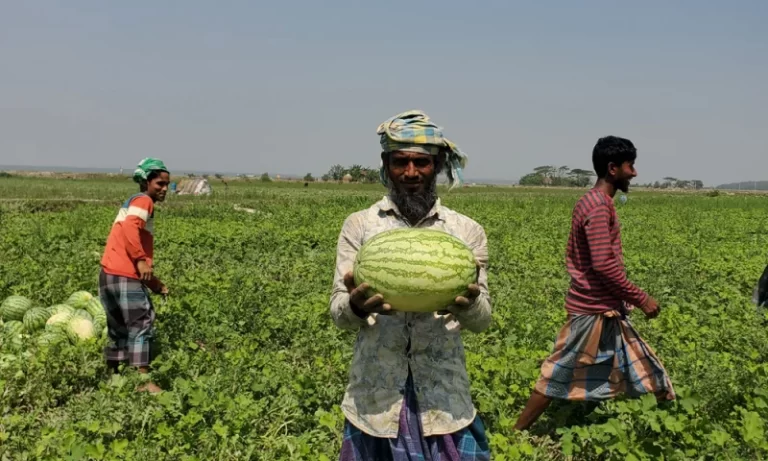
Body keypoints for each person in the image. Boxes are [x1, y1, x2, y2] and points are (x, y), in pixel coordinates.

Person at [330, 110, 492, 460]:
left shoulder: (466, 232)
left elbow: (483, 321)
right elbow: (338, 314)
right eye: (400, 162)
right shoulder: (360, 226)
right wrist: (355, 306)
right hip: (375, 403)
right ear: (386, 165)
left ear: (439, 165)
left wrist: (469, 306)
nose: (411, 172)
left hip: (444, 402)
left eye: (421, 162)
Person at [514, 136, 675, 431]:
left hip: (604, 308)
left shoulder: (592, 201)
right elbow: (603, 265)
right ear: (613, 168)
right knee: (558, 372)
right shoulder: (598, 207)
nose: (634, 173)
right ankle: (516, 433)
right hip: (592, 311)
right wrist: (641, 298)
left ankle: (667, 423)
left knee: (643, 365)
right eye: (630, 166)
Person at [98, 157, 170, 394]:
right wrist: (140, 259)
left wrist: (155, 284)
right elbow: (131, 228)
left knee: (118, 327)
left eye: (167, 184)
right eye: (159, 183)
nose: (164, 189)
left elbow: (126, 238)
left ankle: (114, 376)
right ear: (146, 182)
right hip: (125, 275)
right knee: (141, 323)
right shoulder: (143, 200)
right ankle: (142, 381)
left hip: (108, 274)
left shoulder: (131, 202)